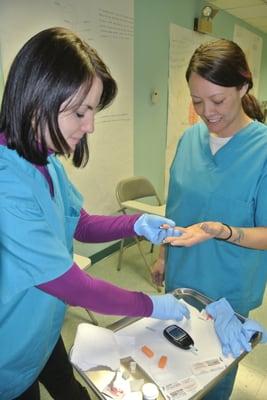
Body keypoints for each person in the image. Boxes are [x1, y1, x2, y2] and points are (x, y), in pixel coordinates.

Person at [0, 27, 189, 400]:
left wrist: (135, 222)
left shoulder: (45, 159)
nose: (90, 127)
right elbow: (75, 285)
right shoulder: (7, 183)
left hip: (43, 327)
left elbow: (81, 223)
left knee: (73, 390)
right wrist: (150, 305)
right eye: (80, 112)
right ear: (39, 100)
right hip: (10, 346)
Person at [152, 38, 267, 400]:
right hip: (182, 280)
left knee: (214, 379)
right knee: (179, 367)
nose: (207, 112)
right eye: (197, 101)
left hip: (228, 290)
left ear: (244, 86)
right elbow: (176, 207)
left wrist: (224, 231)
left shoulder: (262, 150)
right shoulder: (189, 139)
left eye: (218, 100)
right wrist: (163, 255)